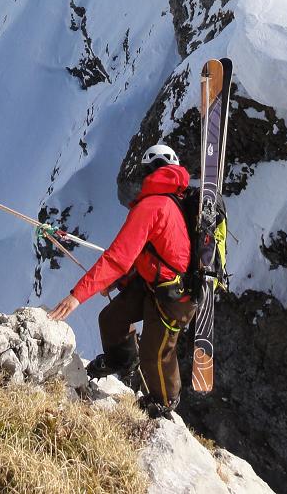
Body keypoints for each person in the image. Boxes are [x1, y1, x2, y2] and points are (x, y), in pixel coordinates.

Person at [48, 144, 196, 417]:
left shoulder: (152, 206)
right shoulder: (170, 201)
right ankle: (124, 359)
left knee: (156, 354)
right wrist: (120, 282)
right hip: (155, 284)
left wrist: (77, 295)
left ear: (146, 173)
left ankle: (164, 402)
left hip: (173, 296)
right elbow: (150, 252)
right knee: (112, 319)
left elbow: (118, 257)